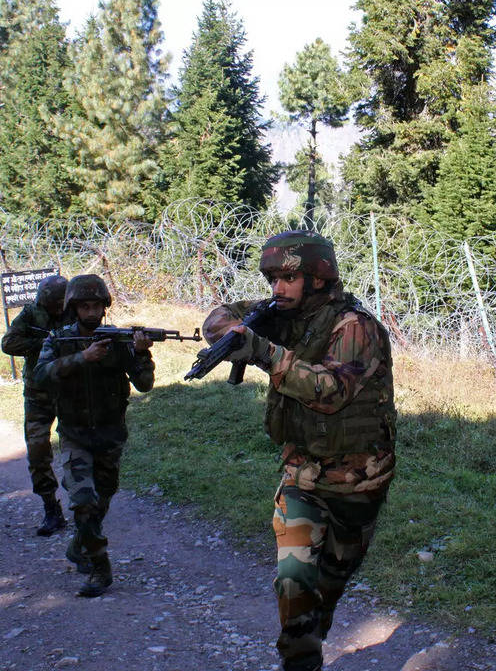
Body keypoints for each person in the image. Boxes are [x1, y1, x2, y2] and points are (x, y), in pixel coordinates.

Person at [200, 230, 397, 671]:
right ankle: (301, 659)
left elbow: (330, 391)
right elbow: (221, 316)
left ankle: (315, 619)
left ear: (318, 277)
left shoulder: (354, 327)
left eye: (288, 278)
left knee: (329, 582)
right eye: (272, 279)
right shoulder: (282, 313)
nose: (277, 289)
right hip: (301, 475)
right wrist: (233, 329)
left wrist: (265, 353)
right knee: (293, 584)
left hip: (357, 482)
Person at [33, 274, 153, 597]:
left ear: (104, 307)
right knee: (83, 502)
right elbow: (40, 376)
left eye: (95, 306)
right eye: (84, 306)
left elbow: (144, 384)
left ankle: (79, 545)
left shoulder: (119, 341)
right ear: (73, 308)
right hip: (74, 434)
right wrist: (81, 358)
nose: (90, 312)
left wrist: (141, 353)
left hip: (110, 435)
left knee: (101, 501)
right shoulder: (58, 340)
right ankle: (101, 569)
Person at [0, 274, 69, 536]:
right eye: (51, 304)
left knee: (78, 446)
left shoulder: (76, 311)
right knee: (38, 450)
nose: (56, 309)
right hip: (38, 392)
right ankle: (51, 508)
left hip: (69, 389)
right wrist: (43, 344)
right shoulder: (31, 314)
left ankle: (83, 502)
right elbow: (9, 343)